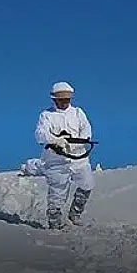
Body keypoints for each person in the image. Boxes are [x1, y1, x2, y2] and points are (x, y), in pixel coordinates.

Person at [34, 81, 96, 229]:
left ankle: (75, 214)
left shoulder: (78, 113)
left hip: (79, 158)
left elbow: (86, 130)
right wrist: (55, 140)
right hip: (56, 161)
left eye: (67, 100)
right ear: (54, 99)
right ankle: (55, 224)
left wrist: (76, 144)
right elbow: (40, 134)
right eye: (61, 100)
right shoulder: (46, 115)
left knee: (87, 184)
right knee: (58, 193)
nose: (64, 103)